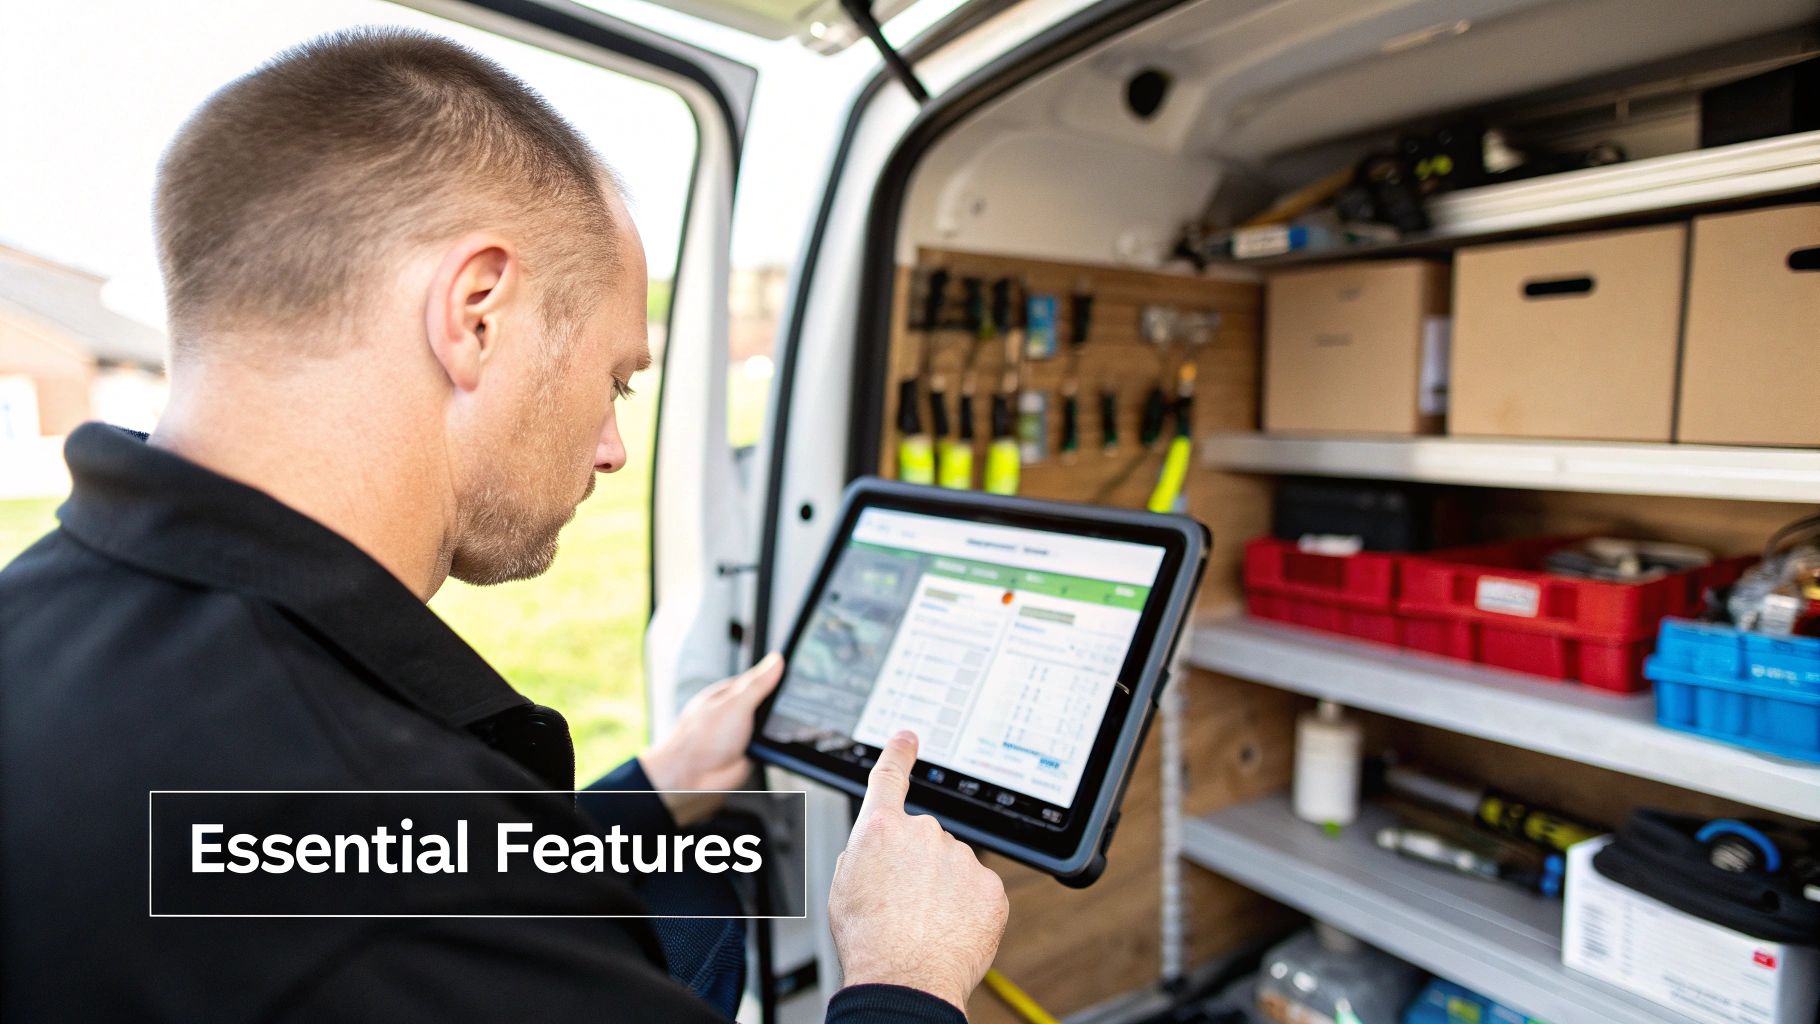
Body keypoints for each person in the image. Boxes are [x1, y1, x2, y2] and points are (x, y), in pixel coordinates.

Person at [0, 28, 1007, 1023]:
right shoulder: (398, 879)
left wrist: (651, 792)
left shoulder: (51, 614)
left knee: (692, 895)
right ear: (477, 311)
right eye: (614, 379)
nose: (613, 446)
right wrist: (903, 973)